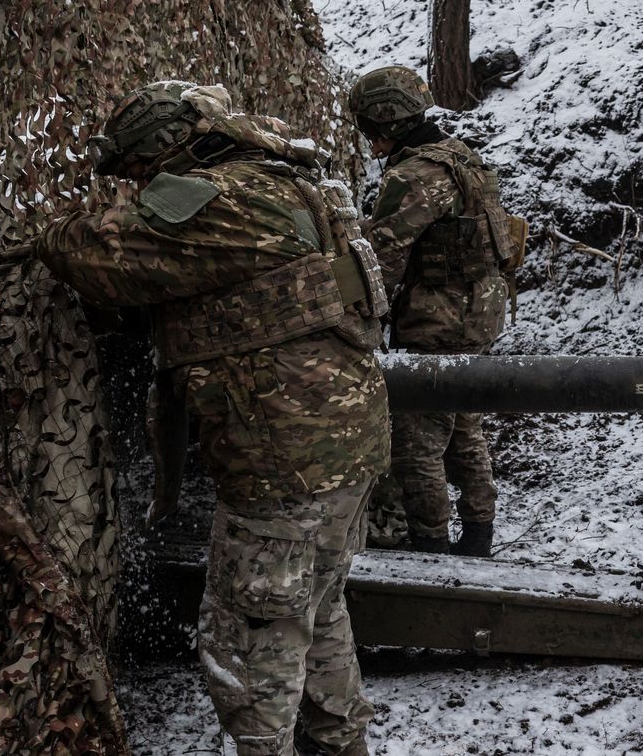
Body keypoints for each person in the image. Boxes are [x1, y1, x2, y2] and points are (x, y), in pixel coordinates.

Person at [31, 81, 389, 756]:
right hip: (347, 447)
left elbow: (91, 250)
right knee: (317, 613)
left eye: (140, 174)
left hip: (283, 464)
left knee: (251, 647)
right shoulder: (293, 180)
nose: (140, 189)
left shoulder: (219, 201)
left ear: (165, 152)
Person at [349, 65, 514, 557]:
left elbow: (382, 259)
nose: (369, 140)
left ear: (386, 120)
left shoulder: (413, 174)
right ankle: (479, 533)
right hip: (479, 312)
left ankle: (430, 546)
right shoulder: (460, 155)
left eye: (368, 128)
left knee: (416, 442)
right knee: (464, 424)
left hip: (439, 320)